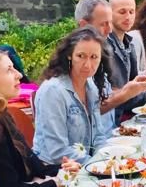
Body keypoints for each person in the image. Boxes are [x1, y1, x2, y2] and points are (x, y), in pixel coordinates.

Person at [0, 52, 81, 187]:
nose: (19, 74)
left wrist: (65, 169)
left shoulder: (5, 116)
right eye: (9, 70)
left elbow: (35, 167)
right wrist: (59, 182)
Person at [32, 27, 113, 165]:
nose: (88, 64)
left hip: (82, 165)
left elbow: (99, 136)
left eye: (94, 57)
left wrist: (107, 160)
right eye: (81, 56)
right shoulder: (53, 91)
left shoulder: (91, 86)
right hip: (54, 169)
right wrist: (95, 164)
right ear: (69, 55)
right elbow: (58, 151)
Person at [76, 0, 146, 122]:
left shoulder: (125, 44)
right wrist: (128, 93)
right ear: (84, 25)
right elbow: (93, 108)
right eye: (103, 24)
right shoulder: (71, 68)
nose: (109, 30)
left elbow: (104, 97)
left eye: (131, 12)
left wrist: (134, 89)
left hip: (111, 128)